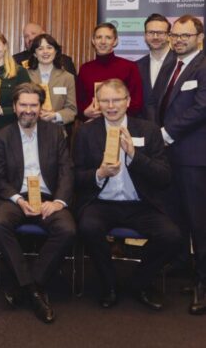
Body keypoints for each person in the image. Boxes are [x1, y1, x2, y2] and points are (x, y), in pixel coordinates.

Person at [74, 79, 180, 310]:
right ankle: (109, 284)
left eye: (116, 100)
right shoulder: (86, 132)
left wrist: (134, 156)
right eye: (105, 101)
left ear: (128, 101)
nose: (111, 106)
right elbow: (76, 177)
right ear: (98, 103)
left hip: (140, 204)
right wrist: (99, 173)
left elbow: (164, 176)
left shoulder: (148, 130)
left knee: (171, 236)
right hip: (102, 202)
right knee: (88, 228)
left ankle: (139, 282)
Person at [0, 83, 76, 324]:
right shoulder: (2, 136)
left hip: (49, 197)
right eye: (23, 105)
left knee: (68, 230)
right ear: (15, 107)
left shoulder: (55, 133)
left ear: (40, 107)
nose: (28, 110)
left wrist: (59, 202)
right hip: (17, 197)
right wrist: (18, 199)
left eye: (33, 105)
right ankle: (34, 289)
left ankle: (28, 284)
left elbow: (66, 171)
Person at [148, 15, 206, 315]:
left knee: (200, 223)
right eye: (176, 35)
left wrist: (166, 133)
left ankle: (204, 286)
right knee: (178, 218)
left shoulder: (204, 66)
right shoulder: (172, 65)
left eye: (186, 35)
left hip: (195, 158)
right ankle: (187, 270)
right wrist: (153, 134)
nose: (180, 40)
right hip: (169, 156)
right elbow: (156, 102)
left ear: (200, 37)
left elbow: (202, 107)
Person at [77, 23, 143, 119]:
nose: (103, 42)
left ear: (115, 41)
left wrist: (113, 115)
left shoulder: (129, 67)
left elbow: (136, 102)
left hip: (122, 125)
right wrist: (84, 113)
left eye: (108, 37)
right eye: (99, 37)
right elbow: (79, 102)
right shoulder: (85, 69)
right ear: (93, 41)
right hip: (92, 125)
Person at [25, 34, 77, 128]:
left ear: (56, 51)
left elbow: (72, 110)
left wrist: (55, 116)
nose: (45, 52)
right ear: (35, 54)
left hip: (56, 131)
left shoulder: (67, 77)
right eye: (40, 49)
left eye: (49, 47)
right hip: (30, 129)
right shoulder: (25, 75)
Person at [136, 14, 176, 112]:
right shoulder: (136, 66)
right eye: (151, 32)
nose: (155, 37)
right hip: (143, 125)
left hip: (173, 126)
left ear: (168, 36)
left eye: (160, 33)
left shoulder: (180, 63)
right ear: (145, 35)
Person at [13, 22, 77, 76]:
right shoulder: (16, 61)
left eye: (33, 33)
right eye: (26, 36)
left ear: (43, 34)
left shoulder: (64, 61)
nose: (30, 38)